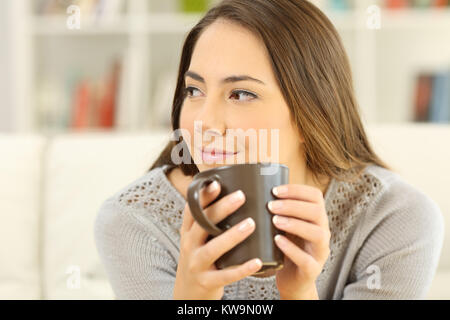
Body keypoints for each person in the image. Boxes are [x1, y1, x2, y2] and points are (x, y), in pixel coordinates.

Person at [94, 0, 444, 299]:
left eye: (241, 94)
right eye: (194, 91)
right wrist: (192, 298)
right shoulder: (135, 221)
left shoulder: (394, 219)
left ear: (312, 113)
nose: (205, 123)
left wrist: (300, 293)